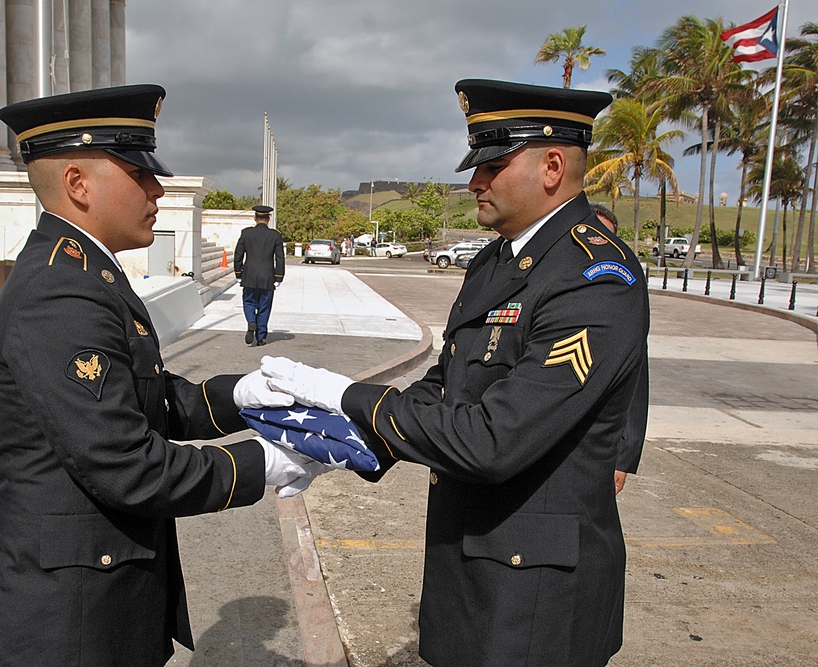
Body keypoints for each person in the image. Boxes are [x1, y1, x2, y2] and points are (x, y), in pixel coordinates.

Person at [253, 79, 650, 665]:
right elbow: (449, 384)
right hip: (465, 557)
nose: (474, 183)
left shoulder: (595, 279)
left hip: (537, 592)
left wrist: (347, 394)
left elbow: (494, 439)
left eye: (491, 165)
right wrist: (347, 442)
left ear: (553, 166)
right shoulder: (497, 258)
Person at [0, 85, 325, 667]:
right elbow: (124, 463)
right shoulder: (60, 291)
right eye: (138, 173)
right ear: (78, 185)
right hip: (65, 617)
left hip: (98, 585)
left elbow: (146, 399)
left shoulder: (89, 271)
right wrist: (262, 463)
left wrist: (245, 397)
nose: (157, 189)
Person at [590, 202, 649, 495]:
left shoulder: (623, 296)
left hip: (597, 447)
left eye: (609, 238)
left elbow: (636, 385)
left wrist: (624, 457)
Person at [233, 204, 285, 346]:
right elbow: (279, 258)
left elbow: (238, 254)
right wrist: (279, 276)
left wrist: (238, 272)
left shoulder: (246, 233)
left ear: (255, 218)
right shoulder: (275, 235)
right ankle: (260, 337)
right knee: (264, 306)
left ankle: (251, 322)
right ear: (268, 219)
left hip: (249, 274)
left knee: (249, 302)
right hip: (267, 276)